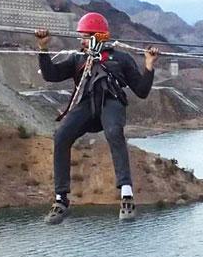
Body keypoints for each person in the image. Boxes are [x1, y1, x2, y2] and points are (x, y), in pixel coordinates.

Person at [35, 12, 159, 223]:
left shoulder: (121, 59)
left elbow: (141, 90)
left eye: (84, 36)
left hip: (112, 102)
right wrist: (43, 48)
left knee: (113, 132)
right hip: (86, 105)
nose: (81, 41)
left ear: (97, 36)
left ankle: (126, 194)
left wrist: (149, 65)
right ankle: (61, 199)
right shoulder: (78, 59)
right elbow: (51, 75)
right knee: (61, 135)